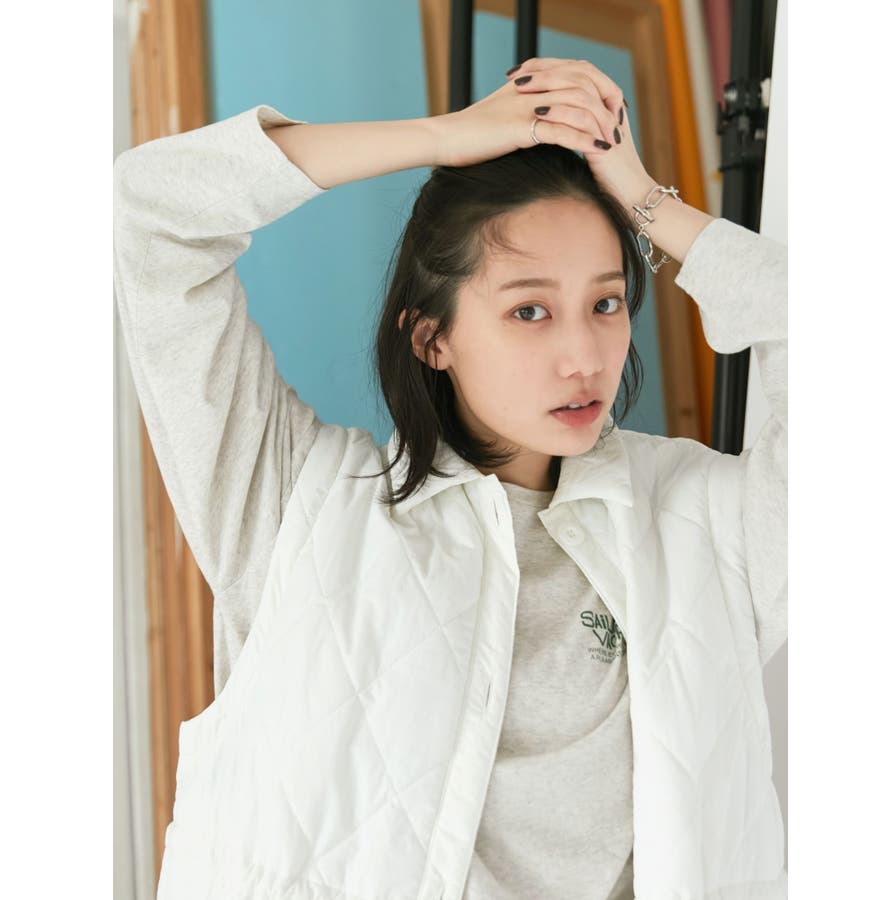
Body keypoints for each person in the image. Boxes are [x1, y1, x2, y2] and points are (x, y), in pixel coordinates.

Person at [113, 57, 787, 900]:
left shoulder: (702, 524)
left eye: (607, 302)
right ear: (432, 338)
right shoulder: (297, 502)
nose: (584, 357)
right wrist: (445, 136)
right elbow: (154, 210)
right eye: (529, 310)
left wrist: (647, 200)